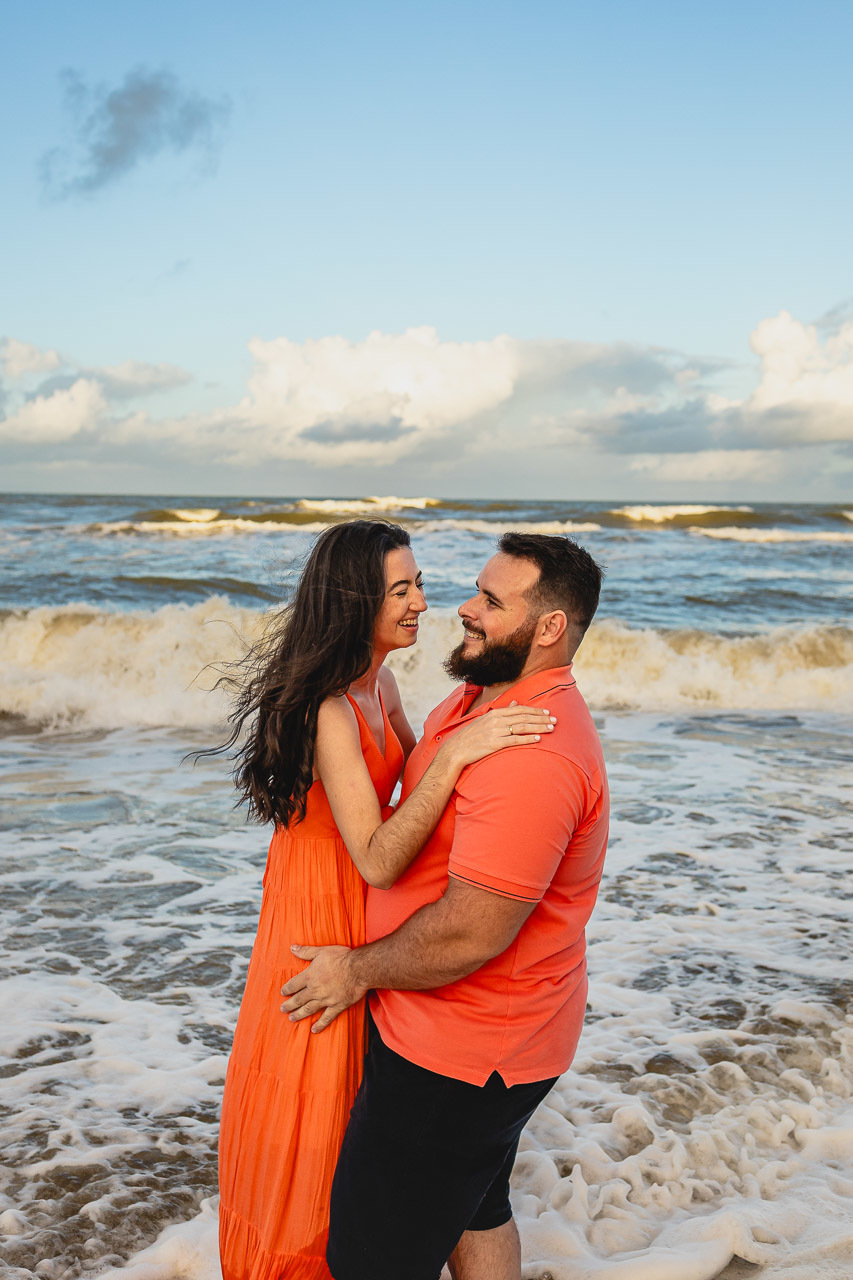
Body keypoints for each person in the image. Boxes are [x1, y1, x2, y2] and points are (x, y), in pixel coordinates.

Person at [216, 520, 555, 1280]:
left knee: (360, 1121)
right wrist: (463, 752)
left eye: (419, 584)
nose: (420, 603)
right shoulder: (332, 708)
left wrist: (479, 728)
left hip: (360, 915)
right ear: (352, 602)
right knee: (312, 1118)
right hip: (318, 916)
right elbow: (374, 856)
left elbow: (413, 775)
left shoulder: (382, 682)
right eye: (399, 589)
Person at [281, 532, 609, 1280]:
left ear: (548, 628)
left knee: (371, 1258)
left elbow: (470, 933)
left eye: (491, 602)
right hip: (462, 1033)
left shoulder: (534, 754)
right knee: (474, 1209)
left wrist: (356, 970)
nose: (461, 609)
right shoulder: (481, 694)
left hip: (461, 1055)